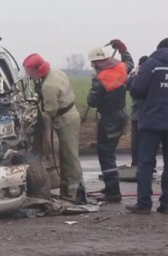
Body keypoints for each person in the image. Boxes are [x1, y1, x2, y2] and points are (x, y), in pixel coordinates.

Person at [23, 53, 85, 202]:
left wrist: (33, 114)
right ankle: (68, 190)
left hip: (65, 119)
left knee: (69, 157)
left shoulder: (48, 86)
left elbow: (50, 111)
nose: (29, 75)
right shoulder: (57, 73)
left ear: (38, 71)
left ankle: (75, 193)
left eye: (30, 72)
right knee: (67, 156)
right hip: (71, 114)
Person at [87, 39, 134, 202]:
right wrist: (123, 49)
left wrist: (93, 86)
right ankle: (110, 187)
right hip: (121, 115)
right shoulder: (121, 68)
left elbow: (91, 102)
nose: (92, 65)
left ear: (98, 62)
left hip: (108, 118)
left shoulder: (100, 79)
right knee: (110, 152)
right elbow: (129, 62)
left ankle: (113, 192)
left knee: (106, 154)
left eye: (93, 63)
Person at [126, 38, 168, 214]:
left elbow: (137, 91)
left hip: (151, 122)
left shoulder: (151, 64)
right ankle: (166, 204)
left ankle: (144, 203)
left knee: (145, 163)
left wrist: (134, 77)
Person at [126, 56, 149, 166]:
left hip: (143, 114)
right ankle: (136, 163)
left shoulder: (148, 75)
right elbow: (127, 85)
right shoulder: (135, 76)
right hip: (140, 114)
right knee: (137, 141)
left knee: (142, 140)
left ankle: (142, 163)